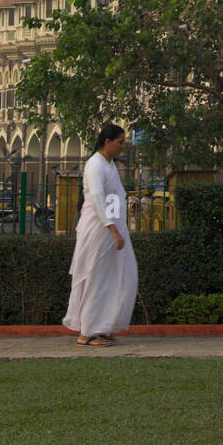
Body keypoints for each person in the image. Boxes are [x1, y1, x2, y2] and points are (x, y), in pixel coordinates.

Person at [63, 123, 138, 347]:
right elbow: (97, 198)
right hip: (98, 230)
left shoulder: (110, 165)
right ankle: (87, 331)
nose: (122, 147)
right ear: (108, 141)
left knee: (116, 277)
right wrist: (113, 230)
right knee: (95, 278)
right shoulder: (95, 165)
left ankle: (101, 326)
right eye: (120, 142)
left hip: (112, 228)